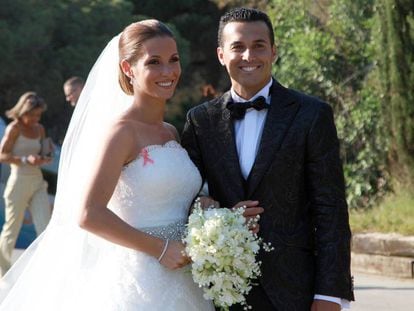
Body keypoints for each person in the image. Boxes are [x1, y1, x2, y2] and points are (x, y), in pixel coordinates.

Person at [0, 20, 214, 311]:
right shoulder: (120, 133)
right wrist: (161, 249)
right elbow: (89, 214)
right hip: (141, 279)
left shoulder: (171, 132)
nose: (169, 71)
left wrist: (206, 210)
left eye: (173, 60)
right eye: (154, 62)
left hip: (185, 274)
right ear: (128, 69)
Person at [181, 7, 354, 311]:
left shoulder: (312, 114)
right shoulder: (200, 121)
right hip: (222, 290)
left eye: (259, 45)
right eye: (238, 47)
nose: (249, 55)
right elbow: (187, 199)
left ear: (273, 51)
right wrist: (221, 217)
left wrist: (330, 293)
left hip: (295, 290)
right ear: (221, 54)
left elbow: (331, 208)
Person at [0, 92, 52, 277]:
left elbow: (44, 153)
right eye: (33, 114)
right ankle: (3, 272)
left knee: (45, 226)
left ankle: (45, 270)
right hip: (18, 181)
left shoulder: (40, 129)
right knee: (11, 228)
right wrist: (24, 159)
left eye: (39, 115)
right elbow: (2, 155)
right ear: (23, 111)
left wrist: (46, 155)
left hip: (37, 181)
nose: (36, 119)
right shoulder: (13, 128)